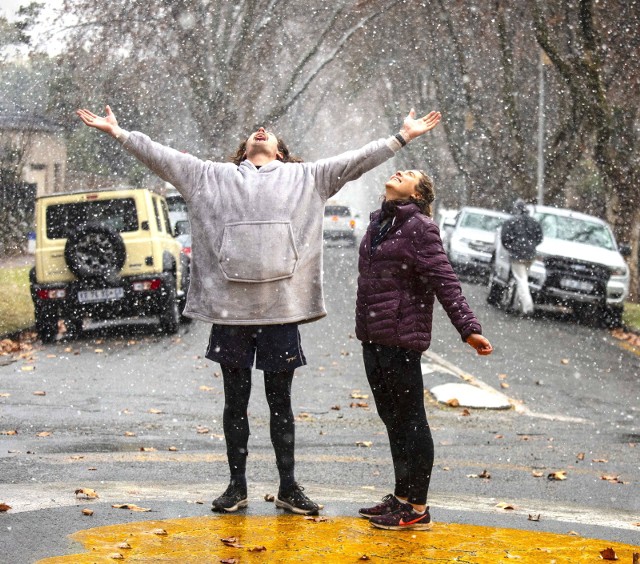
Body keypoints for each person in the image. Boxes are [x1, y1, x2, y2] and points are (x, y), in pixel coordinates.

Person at [76, 104, 442, 516]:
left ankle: (289, 487)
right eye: (255, 132)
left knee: (280, 403)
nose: (261, 130)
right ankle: (236, 486)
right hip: (231, 314)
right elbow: (161, 156)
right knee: (235, 402)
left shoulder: (308, 178)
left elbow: (357, 160)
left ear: (282, 154)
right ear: (245, 151)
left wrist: (402, 137)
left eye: (268, 133)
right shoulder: (210, 177)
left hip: (280, 313)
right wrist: (118, 132)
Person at [355, 169, 493, 531]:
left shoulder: (420, 227)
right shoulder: (380, 222)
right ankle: (401, 497)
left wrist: (469, 329)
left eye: (410, 174)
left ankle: (417, 506)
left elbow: (445, 280)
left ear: (417, 195)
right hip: (373, 336)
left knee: (411, 420)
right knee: (393, 419)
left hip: (401, 337)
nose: (400, 171)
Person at [500, 199, 543, 315]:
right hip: (530, 255)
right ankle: (517, 305)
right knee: (523, 279)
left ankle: (527, 307)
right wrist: (531, 246)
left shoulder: (511, 222)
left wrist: (511, 247)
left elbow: (504, 238)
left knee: (521, 280)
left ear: (516, 209)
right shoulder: (534, 222)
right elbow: (539, 237)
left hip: (517, 255)